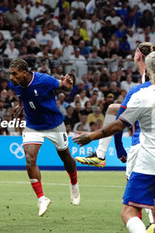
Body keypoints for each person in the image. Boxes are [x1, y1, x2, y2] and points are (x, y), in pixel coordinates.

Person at [73, 51, 155, 233]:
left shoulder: (140, 94)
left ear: (147, 72)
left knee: (129, 211)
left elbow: (118, 124)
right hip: (144, 156)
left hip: (147, 159)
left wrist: (91, 136)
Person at [8, 58, 80, 217]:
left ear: (24, 73)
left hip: (54, 124)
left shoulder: (44, 80)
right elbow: (23, 94)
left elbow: (64, 87)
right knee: (29, 159)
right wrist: (21, 106)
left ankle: (74, 184)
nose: (11, 77)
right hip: (33, 125)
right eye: (10, 74)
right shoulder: (15, 84)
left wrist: (68, 85)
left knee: (65, 156)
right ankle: (41, 198)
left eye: (14, 74)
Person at [75, 42, 155, 168]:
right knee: (113, 108)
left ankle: (100, 155)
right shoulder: (146, 76)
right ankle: (100, 155)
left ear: (138, 56)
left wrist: (119, 147)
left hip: (145, 140)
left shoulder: (147, 77)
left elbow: (121, 118)